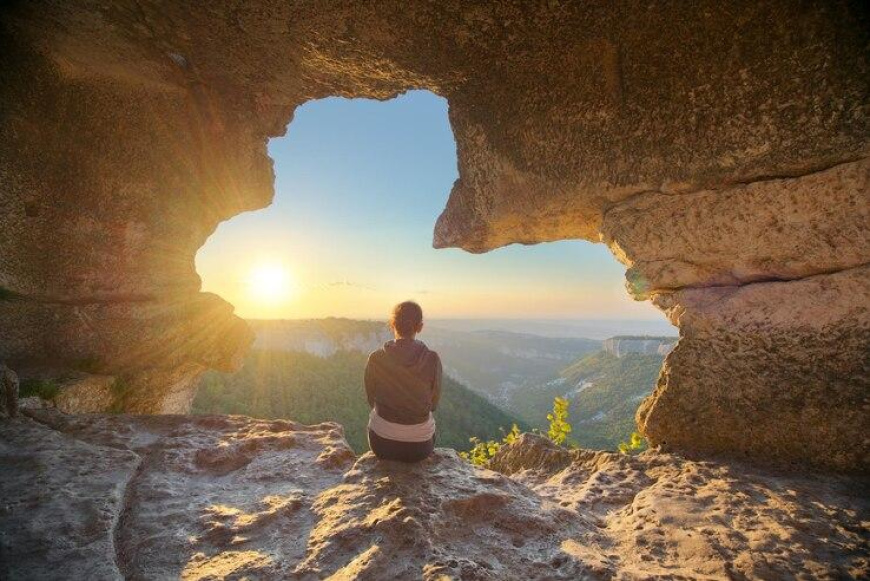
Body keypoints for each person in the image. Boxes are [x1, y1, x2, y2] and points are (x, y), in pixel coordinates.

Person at [365, 301, 442, 462]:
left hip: (382, 445)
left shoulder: (376, 358)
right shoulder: (432, 359)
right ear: (420, 327)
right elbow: (433, 405)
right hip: (420, 448)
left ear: (392, 325)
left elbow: (371, 400)